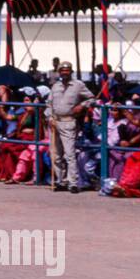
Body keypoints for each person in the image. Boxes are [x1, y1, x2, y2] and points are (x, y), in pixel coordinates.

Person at [45, 61, 94, 192]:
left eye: (67, 70)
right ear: (59, 72)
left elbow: (91, 98)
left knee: (70, 154)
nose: (65, 73)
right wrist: (49, 117)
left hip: (68, 121)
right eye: (62, 70)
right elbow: (49, 104)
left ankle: (73, 182)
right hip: (55, 122)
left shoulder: (78, 85)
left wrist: (82, 106)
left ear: (71, 72)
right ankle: (60, 180)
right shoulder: (55, 86)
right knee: (55, 154)